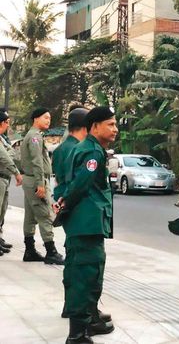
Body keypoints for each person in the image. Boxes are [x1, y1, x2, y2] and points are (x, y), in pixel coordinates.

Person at [53, 106, 118, 343]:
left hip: (84, 223)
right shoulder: (93, 152)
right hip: (87, 222)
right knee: (86, 274)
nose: (115, 129)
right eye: (110, 124)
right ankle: (77, 334)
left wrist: (63, 201)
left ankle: (87, 323)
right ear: (95, 126)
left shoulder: (84, 148)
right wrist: (66, 202)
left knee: (83, 271)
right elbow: (81, 183)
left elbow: (68, 183)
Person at [52, 107, 90, 320]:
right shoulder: (80, 149)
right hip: (78, 208)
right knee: (82, 259)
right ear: (86, 127)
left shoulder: (60, 149)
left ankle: (69, 304)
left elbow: (58, 180)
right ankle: (80, 308)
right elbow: (77, 184)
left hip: (65, 207)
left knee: (72, 255)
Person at [21, 107, 64, 264]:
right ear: (36, 119)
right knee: (45, 214)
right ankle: (51, 251)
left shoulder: (33, 135)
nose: (48, 120)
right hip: (36, 181)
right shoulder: (35, 137)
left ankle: (29, 250)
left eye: (50, 118)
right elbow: (37, 161)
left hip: (30, 180)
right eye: (45, 117)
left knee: (30, 216)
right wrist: (41, 184)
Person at [0, 110, 22, 254]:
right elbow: (4, 157)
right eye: (7, 122)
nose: (8, 126)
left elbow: (11, 154)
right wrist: (16, 172)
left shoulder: (2, 139)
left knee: (2, 211)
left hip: (4, 177)